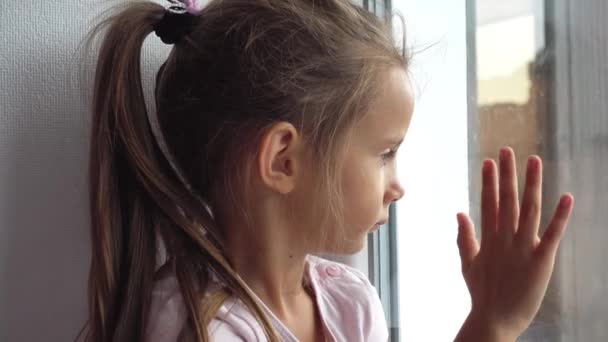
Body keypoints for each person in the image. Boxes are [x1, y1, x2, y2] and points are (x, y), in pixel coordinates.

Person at [78, 0, 574, 341]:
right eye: (384, 154)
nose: (397, 187)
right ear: (283, 161)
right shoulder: (199, 328)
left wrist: (493, 319)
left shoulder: (348, 301)